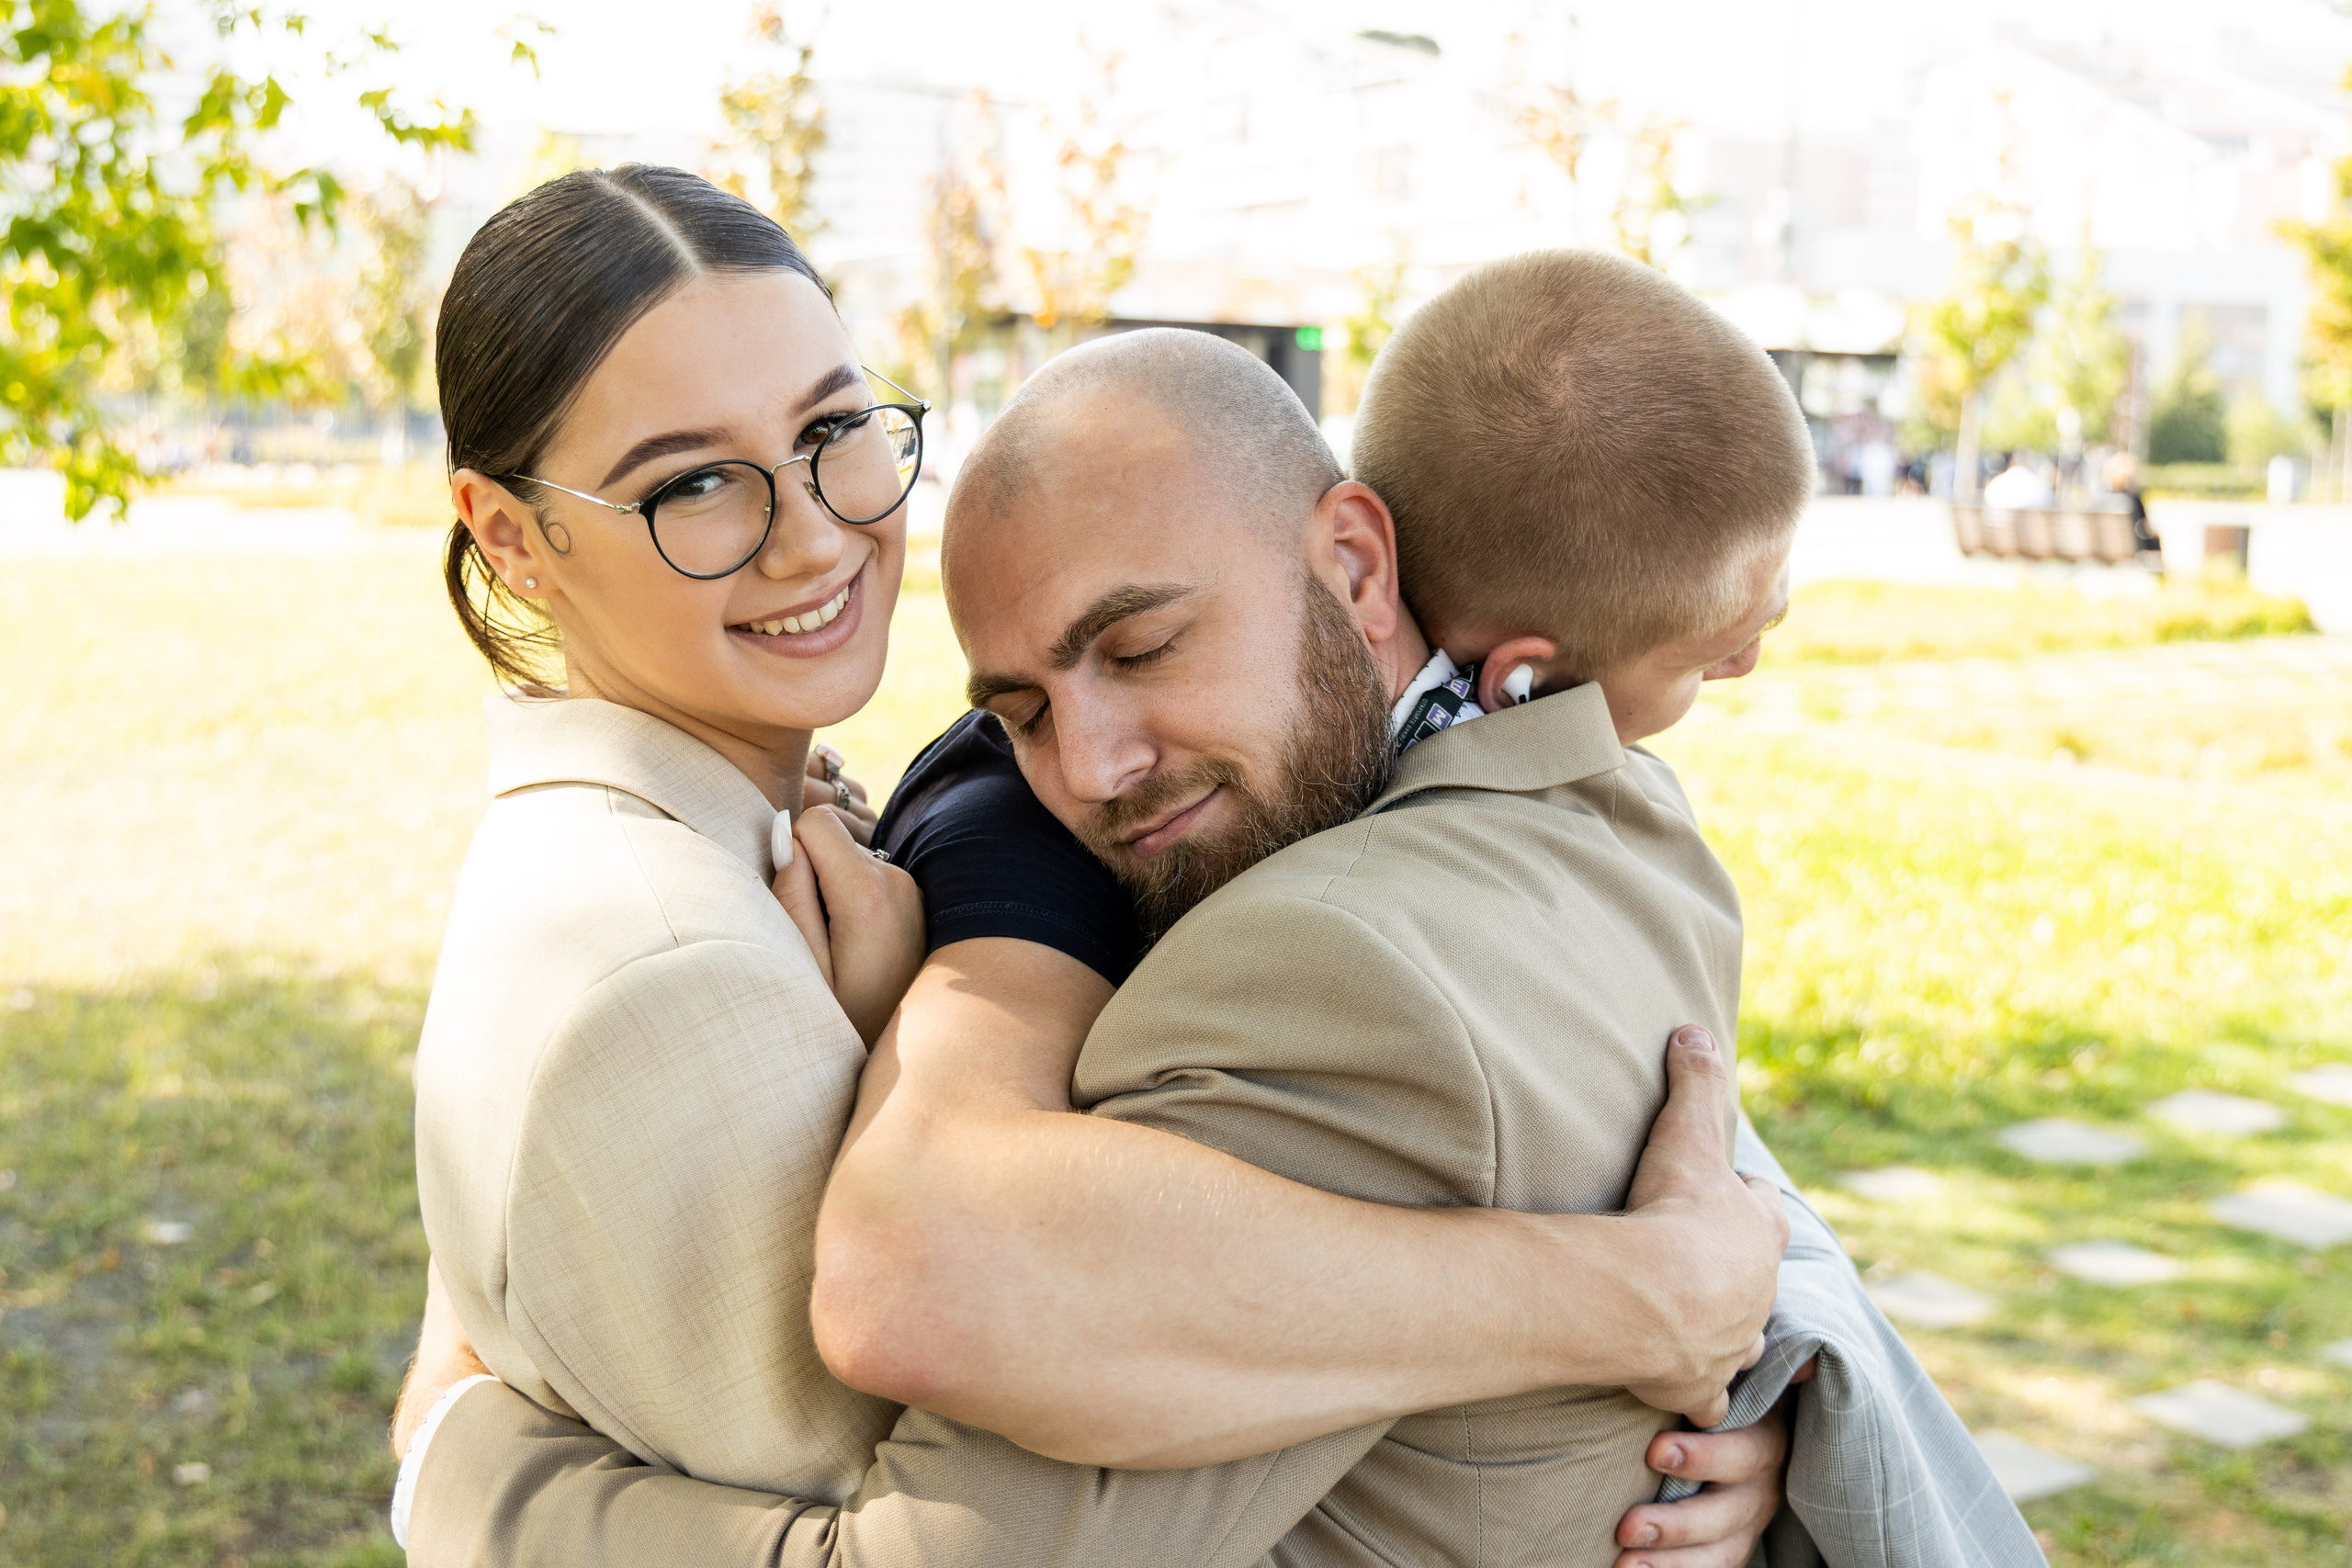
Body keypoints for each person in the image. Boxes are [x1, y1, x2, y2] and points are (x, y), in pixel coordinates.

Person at [395, 172, 1792, 1567]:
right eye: (693, 482)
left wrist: (1746, 1362)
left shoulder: (1321, 937)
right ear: (509, 533)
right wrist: (1643, 1305)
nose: (816, 533)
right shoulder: (690, 952)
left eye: (833, 431)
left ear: (1358, 561)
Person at [1980, 451, 2053, 510]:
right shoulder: (2039, 485)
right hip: (2031, 526)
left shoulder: (1996, 484)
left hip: (1997, 526)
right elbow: (2048, 500)